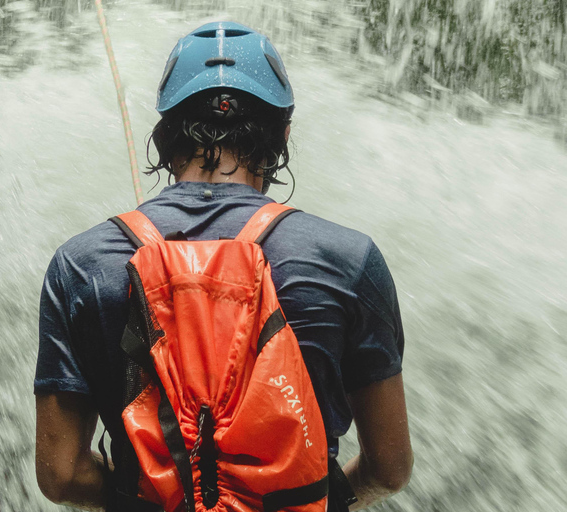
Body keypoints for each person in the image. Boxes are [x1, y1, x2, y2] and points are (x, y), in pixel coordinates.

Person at [35, 21, 412, 511]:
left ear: (165, 133)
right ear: (283, 134)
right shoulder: (348, 259)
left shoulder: (81, 264)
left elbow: (61, 475)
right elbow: (389, 467)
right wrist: (318, 497)